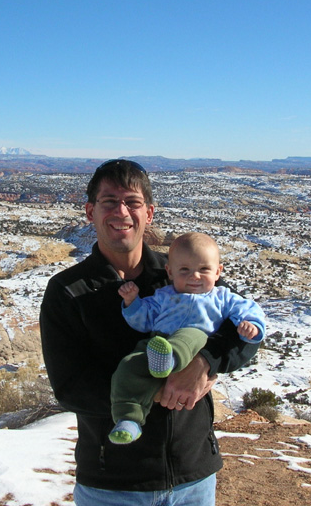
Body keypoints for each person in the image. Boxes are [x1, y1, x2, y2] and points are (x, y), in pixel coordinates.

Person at [39, 159, 260, 505]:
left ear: (150, 213)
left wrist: (205, 364)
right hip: (112, 485)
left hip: (193, 475)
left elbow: (242, 330)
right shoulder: (69, 291)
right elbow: (70, 388)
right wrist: (160, 390)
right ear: (90, 212)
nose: (121, 211)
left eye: (132, 202)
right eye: (109, 201)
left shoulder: (182, 271)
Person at [109, 231, 265, 444]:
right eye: (185, 270)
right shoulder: (163, 295)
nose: (195, 276)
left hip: (194, 342)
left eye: (204, 270)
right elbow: (143, 320)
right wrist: (132, 302)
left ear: (218, 272)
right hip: (157, 342)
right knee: (128, 366)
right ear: (170, 272)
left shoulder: (221, 297)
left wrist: (251, 325)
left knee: (188, 335)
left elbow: (247, 308)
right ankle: (129, 419)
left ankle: (169, 359)